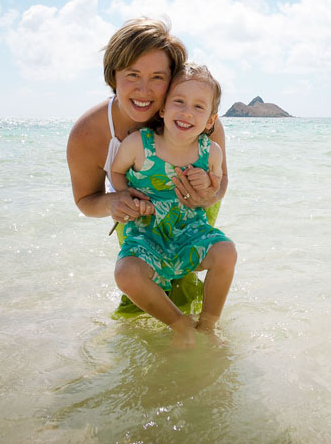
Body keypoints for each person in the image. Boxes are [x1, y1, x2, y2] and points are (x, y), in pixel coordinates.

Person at [66, 18, 229, 325]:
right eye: (132, 75)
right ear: (113, 76)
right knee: (140, 305)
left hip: (192, 213)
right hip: (138, 218)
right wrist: (115, 202)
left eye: (157, 77)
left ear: (173, 78)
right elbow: (86, 200)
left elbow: (222, 181)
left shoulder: (198, 119)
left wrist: (209, 195)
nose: (143, 89)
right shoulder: (89, 133)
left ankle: (201, 346)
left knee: (190, 287)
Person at [110, 63, 236, 347]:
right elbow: (116, 172)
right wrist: (126, 195)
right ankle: (180, 324)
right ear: (163, 109)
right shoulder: (138, 144)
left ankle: (208, 324)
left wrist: (207, 184)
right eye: (179, 102)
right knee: (125, 273)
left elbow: (218, 184)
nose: (187, 112)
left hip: (191, 233)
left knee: (226, 252)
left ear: (209, 121)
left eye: (198, 107)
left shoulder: (210, 151)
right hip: (146, 235)